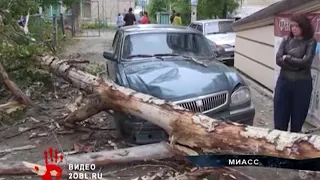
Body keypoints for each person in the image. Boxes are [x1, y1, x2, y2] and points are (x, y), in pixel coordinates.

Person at [274, 13, 317, 132]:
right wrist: (297, 65)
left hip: (302, 85)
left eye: (297, 26)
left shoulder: (310, 42)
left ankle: (293, 146)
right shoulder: (286, 40)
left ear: (304, 27)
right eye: (292, 26)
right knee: (279, 119)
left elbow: (306, 62)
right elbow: (278, 59)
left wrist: (288, 58)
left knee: (297, 122)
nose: (293, 28)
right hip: (284, 82)